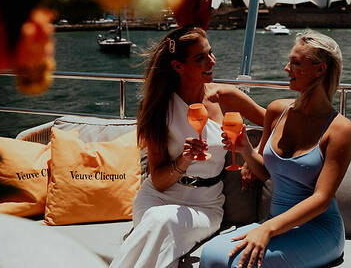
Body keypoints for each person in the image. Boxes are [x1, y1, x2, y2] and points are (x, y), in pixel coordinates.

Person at [110, 26, 265, 268]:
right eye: (200, 58)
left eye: (210, 53)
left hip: (206, 205)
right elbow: (159, 181)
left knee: (161, 223)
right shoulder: (158, 107)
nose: (211, 61)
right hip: (156, 198)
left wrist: (254, 154)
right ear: (177, 66)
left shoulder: (224, 96)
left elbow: (276, 120)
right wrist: (184, 160)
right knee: (158, 220)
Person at [199, 30, 351, 268]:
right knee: (211, 256)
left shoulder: (339, 129)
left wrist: (268, 229)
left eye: (295, 63)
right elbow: (266, 174)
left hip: (319, 230)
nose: (286, 68)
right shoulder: (276, 110)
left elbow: (322, 199)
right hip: (274, 223)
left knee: (240, 264)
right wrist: (245, 149)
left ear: (320, 69)